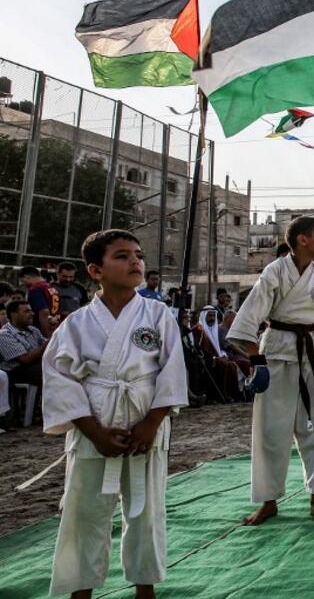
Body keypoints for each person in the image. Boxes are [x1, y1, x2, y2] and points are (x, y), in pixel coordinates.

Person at [41, 229, 189, 598]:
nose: (136, 261)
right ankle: (80, 590)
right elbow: (60, 380)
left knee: (146, 510)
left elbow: (172, 371)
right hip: (95, 423)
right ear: (95, 271)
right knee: (84, 513)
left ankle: (145, 588)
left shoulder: (157, 314)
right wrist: (93, 432)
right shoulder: (75, 324)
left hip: (145, 421)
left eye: (138, 254)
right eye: (122, 256)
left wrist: (152, 423)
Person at [227, 216, 314, 527]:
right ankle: (269, 501)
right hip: (277, 353)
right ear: (302, 240)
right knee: (271, 431)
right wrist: (256, 360)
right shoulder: (275, 272)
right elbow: (249, 317)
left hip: (311, 354)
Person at [1, 299, 48, 430]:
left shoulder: (33, 330)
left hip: (33, 367)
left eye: (31, 310)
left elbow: (49, 346)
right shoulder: (5, 335)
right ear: (14, 314)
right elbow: (25, 359)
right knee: (50, 372)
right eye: (26, 311)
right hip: (15, 372)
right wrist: (46, 345)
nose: (32, 313)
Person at [21, 266, 61, 337]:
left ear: (26, 277)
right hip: (55, 327)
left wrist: (47, 336)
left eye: (22, 281)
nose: (23, 284)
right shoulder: (51, 288)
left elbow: (44, 312)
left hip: (42, 331)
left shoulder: (35, 289)